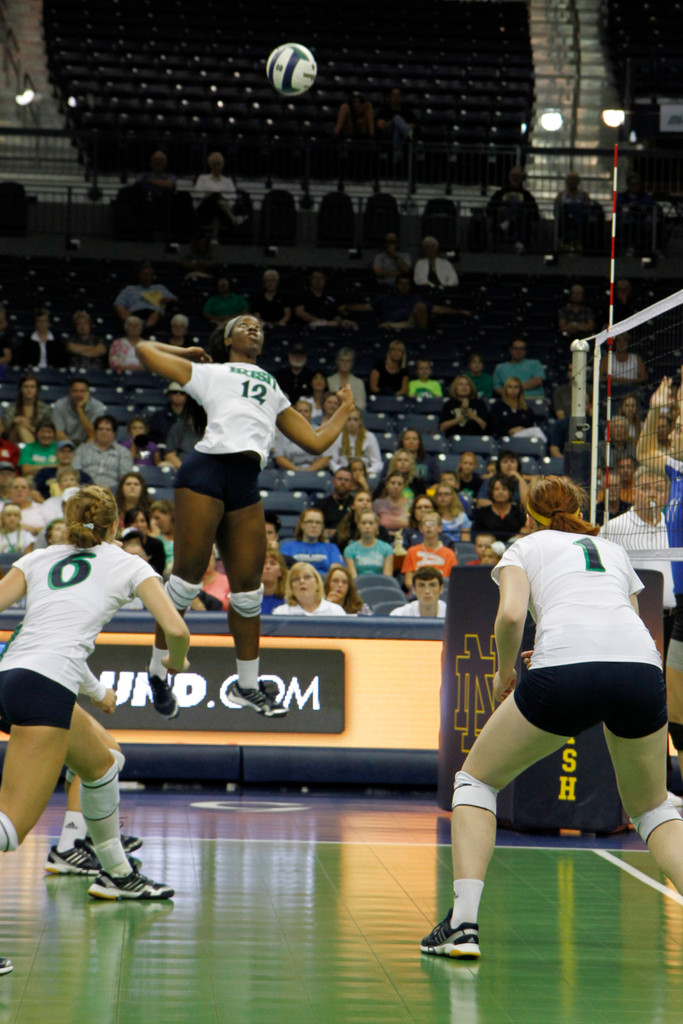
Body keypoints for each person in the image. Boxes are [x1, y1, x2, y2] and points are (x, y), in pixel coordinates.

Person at [421, 475, 682, 959]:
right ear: (578, 508)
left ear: (528, 515)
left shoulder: (525, 547)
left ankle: (462, 925)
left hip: (565, 670)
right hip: (641, 668)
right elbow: (624, 620)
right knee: (653, 809)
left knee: (475, 782)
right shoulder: (612, 551)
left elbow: (510, 617)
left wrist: (503, 673)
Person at [136, 314, 354, 718]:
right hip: (206, 471)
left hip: (244, 483)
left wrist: (345, 409)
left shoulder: (271, 384)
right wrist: (181, 351)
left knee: (249, 592)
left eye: (260, 325)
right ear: (228, 337)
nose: (255, 327)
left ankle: (247, 686)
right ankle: (156, 672)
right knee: (186, 580)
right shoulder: (211, 373)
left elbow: (317, 438)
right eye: (245, 324)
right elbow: (144, 351)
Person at [0, 485, 190, 945]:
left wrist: (97, 691)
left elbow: (56, 635)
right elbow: (176, 628)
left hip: (11, 676)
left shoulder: (39, 558)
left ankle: (118, 875)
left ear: (68, 520)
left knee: (103, 762)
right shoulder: (127, 562)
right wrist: (176, 664)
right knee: (9, 830)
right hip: (43, 690)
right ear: (116, 523)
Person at [600, 467, 674, 612]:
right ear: (633, 493)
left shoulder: (674, 528)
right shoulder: (613, 528)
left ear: (667, 497)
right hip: (634, 617)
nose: (652, 494)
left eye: (659, 490)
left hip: (673, 617)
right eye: (645, 488)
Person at [486, 165, 539, 253]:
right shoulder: (499, 194)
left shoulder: (527, 196)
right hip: (502, 223)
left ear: (522, 178)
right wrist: (499, 209)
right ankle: (510, 224)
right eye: (513, 176)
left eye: (518, 176)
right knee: (516, 206)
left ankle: (508, 221)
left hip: (520, 225)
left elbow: (535, 214)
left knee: (517, 208)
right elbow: (489, 210)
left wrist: (524, 211)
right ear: (509, 177)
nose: (515, 178)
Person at [72, 416, 133, 491]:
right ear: (95, 431)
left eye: (108, 429)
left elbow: (125, 477)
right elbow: (75, 471)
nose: (104, 432)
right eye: (100, 429)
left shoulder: (123, 452)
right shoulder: (82, 449)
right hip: (85, 489)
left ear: (114, 433)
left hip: (112, 491)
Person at [401, 511, 457, 592]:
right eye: (425, 523)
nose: (429, 527)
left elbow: (453, 581)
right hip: (417, 594)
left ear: (440, 527)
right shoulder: (412, 551)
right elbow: (408, 581)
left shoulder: (449, 554)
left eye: (432, 523)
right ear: (420, 528)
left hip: (442, 594)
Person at [280, 508, 344, 577]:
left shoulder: (331, 548)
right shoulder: (288, 546)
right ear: (301, 525)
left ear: (322, 526)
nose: (314, 526)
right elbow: (283, 571)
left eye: (318, 523)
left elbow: (338, 571)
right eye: (310, 522)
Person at [114, 261, 177, 330]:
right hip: (134, 313)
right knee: (119, 308)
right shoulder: (130, 289)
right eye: (143, 274)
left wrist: (166, 300)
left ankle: (145, 328)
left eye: (149, 274)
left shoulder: (159, 288)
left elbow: (175, 300)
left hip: (154, 312)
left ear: (152, 276)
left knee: (157, 311)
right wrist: (127, 316)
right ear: (139, 275)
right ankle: (133, 325)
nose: (146, 277)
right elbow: (118, 304)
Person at [274, 398, 331, 472]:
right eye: (299, 411)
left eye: (306, 411)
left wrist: (309, 471)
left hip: (315, 473)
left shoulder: (320, 431)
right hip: (291, 472)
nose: (303, 414)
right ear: (294, 413)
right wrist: (297, 470)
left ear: (311, 413)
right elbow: (279, 457)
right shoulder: (284, 432)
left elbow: (325, 458)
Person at [192, 151, 239, 240]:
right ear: (210, 165)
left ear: (222, 165)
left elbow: (233, 198)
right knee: (215, 197)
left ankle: (214, 237)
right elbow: (197, 194)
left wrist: (221, 199)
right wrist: (212, 196)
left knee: (216, 207)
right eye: (214, 164)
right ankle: (233, 218)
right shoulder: (202, 178)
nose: (216, 166)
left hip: (222, 209)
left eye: (218, 164)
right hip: (204, 208)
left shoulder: (228, 181)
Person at [273, 562, 347, 617]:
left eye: (307, 577)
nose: (302, 581)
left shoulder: (335, 611)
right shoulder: (281, 613)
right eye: (296, 579)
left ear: (317, 583)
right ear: (291, 588)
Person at [52, 377, 106, 446]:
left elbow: (93, 434)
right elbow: (58, 433)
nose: (79, 395)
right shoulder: (60, 405)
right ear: (70, 392)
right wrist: (70, 447)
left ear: (88, 393)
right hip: (65, 444)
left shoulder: (97, 406)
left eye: (82, 391)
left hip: (87, 445)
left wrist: (80, 410)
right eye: (75, 391)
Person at [327, 409, 383, 476]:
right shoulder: (338, 437)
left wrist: (367, 472)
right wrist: (340, 471)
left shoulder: (369, 437)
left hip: (363, 474)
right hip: (343, 473)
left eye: (355, 419)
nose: (352, 423)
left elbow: (377, 463)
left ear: (360, 421)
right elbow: (332, 461)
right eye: (349, 419)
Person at [473, 475, 527, 541]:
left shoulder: (519, 511)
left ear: (510, 492)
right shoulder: (482, 512)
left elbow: (525, 531)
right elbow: (477, 535)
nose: (500, 492)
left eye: (504, 489)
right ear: (491, 492)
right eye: (496, 489)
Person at [343, 510, 394, 578]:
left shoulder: (387, 549)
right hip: (359, 586)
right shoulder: (349, 550)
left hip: (381, 586)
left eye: (371, 523)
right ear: (358, 525)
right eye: (363, 523)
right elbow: (353, 579)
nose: (367, 526)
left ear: (376, 525)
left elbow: (387, 578)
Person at [4, 374, 52, 445]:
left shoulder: (45, 409)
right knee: (20, 427)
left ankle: (32, 451)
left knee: (22, 427)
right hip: (13, 441)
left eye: (32, 387)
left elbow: (47, 432)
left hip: (38, 440)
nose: (29, 390)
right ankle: (33, 453)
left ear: (37, 390)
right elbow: (5, 434)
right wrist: (14, 422)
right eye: (26, 387)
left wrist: (28, 427)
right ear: (21, 389)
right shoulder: (11, 408)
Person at [314, 467, 355, 539]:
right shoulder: (321, 504)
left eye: (346, 480)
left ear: (351, 484)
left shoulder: (356, 503)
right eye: (340, 479)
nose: (343, 482)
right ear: (333, 481)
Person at [122, 507, 166, 576]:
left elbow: (159, 571)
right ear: (127, 525)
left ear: (147, 524)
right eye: (134, 522)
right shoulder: (119, 544)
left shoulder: (157, 544)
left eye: (142, 521)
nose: (139, 525)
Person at [554, 170, 591, 252]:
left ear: (578, 181)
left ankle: (578, 242)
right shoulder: (561, 195)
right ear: (567, 181)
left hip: (580, 219)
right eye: (570, 179)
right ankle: (566, 241)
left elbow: (588, 208)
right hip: (565, 219)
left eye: (574, 179)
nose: (572, 182)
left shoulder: (584, 195)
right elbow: (556, 208)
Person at [375, 87, 417, 158]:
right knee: (396, 118)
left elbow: (413, 125)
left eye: (398, 95)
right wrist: (397, 124)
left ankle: (397, 159)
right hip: (387, 136)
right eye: (393, 95)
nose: (396, 97)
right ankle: (409, 134)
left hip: (401, 137)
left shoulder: (407, 112)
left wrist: (396, 125)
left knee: (397, 130)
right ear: (390, 97)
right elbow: (380, 125)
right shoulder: (384, 111)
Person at [148, 381, 188, 446]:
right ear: (169, 395)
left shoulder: (192, 417)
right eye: (174, 392)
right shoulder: (158, 416)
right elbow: (152, 438)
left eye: (182, 393)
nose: (178, 395)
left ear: (186, 396)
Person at [149, 498, 175, 575]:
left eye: (157, 518)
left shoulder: (185, 537)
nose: (156, 523)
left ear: (169, 515)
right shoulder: (155, 541)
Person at [261, 544, 287, 614]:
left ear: (280, 571)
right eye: (263, 563)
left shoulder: (289, 600)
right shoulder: (247, 599)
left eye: (272, 563)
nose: (268, 567)